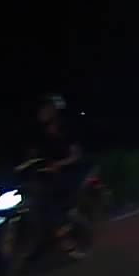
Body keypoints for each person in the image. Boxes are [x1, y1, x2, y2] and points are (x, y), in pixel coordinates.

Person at [27, 95, 88, 258]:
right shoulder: (40, 133)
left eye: (46, 108)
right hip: (49, 174)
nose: (42, 112)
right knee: (32, 196)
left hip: (70, 173)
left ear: (54, 111)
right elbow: (33, 155)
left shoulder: (66, 130)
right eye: (42, 109)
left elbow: (76, 155)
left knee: (49, 200)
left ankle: (68, 241)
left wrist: (60, 164)